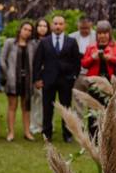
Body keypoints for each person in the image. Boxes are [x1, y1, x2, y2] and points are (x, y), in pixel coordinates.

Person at [33, 15, 81, 143]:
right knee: (47, 108)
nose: (58, 26)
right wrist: (37, 78)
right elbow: (37, 61)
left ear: (64, 25)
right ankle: (47, 134)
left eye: (60, 24)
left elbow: (77, 61)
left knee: (66, 108)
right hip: (48, 80)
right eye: (55, 23)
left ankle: (67, 134)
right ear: (52, 25)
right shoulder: (44, 42)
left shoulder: (71, 41)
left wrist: (73, 76)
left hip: (66, 80)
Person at [0, 21, 35, 142]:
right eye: (25, 29)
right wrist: (7, 74)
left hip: (27, 80)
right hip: (13, 80)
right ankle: (11, 132)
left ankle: (27, 132)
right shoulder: (10, 42)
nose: (27, 32)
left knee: (26, 107)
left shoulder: (32, 45)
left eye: (30, 30)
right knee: (12, 106)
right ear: (20, 29)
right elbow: (2, 59)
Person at [29, 18, 50, 137]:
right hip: (33, 75)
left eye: (45, 26)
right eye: (40, 26)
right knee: (35, 101)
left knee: (46, 102)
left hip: (46, 76)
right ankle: (34, 125)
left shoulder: (50, 41)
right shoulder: (32, 43)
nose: (42, 28)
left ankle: (45, 124)